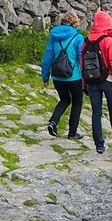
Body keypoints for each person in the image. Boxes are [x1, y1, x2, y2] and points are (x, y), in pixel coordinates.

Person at [80, 9, 112, 151]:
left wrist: (84, 83)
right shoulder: (108, 41)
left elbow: (82, 63)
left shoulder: (86, 41)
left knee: (96, 113)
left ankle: (99, 145)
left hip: (92, 81)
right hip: (109, 80)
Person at [41, 10, 87, 140]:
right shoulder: (78, 38)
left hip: (57, 76)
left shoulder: (54, 38)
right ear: (75, 24)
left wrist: (45, 77)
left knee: (64, 99)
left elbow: (47, 58)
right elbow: (80, 58)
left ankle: (53, 121)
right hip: (74, 76)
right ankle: (72, 133)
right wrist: (85, 77)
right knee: (77, 102)